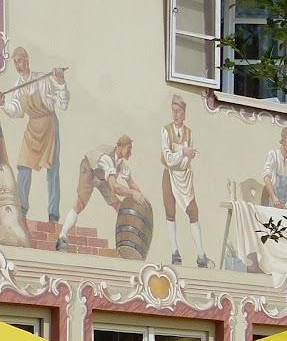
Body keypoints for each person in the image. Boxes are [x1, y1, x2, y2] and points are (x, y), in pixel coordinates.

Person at [0, 48, 68, 223]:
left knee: (52, 170)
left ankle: (53, 213)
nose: (18, 65)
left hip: (49, 125)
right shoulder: (18, 86)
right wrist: (3, 104)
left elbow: (62, 103)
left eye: (20, 61)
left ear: (27, 61)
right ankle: (22, 209)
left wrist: (61, 83)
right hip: (32, 127)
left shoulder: (42, 80)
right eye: (15, 62)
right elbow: (17, 111)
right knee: (24, 166)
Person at [56, 136, 149, 250]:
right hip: (89, 171)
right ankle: (62, 237)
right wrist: (133, 194)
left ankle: (126, 243)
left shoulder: (121, 165)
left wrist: (141, 198)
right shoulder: (107, 159)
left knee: (119, 207)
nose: (130, 153)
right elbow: (115, 187)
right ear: (120, 147)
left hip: (103, 179)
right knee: (80, 204)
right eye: (128, 148)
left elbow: (132, 184)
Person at [160, 95, 210, 267]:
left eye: (178, 112)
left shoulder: (189, 133)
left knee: (193, 211)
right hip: (170, 175)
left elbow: (187, 161)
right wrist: (182, 152)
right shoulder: (166, 131)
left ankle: (201, 254)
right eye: (173, 111)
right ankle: (175, 251)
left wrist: (181, 156)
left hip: (185, 177)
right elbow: (168, 159)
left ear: (184, 113)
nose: (175, 115)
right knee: (170, 210)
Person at [261, 125, 287, 209]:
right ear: (282, 141)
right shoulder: (273, 155)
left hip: (282, 205)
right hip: (270, 202)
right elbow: (266, 177)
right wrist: (273, 197)